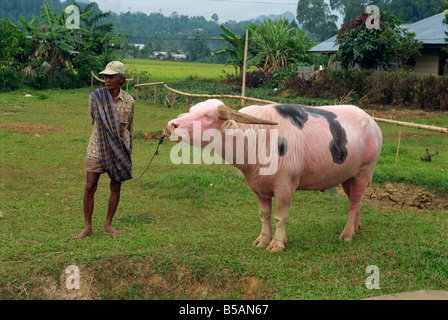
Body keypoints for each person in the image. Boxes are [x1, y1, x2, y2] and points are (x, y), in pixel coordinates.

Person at [75, 61, 135, 239]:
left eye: (111, 76)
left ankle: (108, 223)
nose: (107, 80)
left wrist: (125, 148)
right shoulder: (95, 97)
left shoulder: (129, 101)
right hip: (97, 146)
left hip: (119, 149)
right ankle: (87, 227)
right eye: (105, 76)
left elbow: (129, 128)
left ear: (121, 79)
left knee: (115, 186)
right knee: (90, 186)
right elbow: (93, 120)